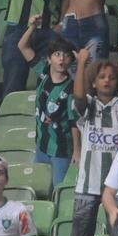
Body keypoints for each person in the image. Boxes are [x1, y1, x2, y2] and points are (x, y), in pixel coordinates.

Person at [69, 46, 118, 236]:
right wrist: (81, 63)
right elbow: (77, 96)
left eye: (112, 77)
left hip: (117, 187)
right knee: (81, 234)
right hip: (87, 183)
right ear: (93, 83)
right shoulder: (88, 105)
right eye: (102, 77)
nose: (107, 81)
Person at [21, 28, 75, 187]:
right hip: (41, 147)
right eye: (57, 54)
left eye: (67, 55)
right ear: (49, 59)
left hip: (61, 151)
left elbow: (73, 122)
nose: (62, 59)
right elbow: (23, 46)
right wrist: (32, 27)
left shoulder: (71, 88)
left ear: (71, 61)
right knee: (36, 188)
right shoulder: (43, 72)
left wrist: (77, 151)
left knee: (58, 190)